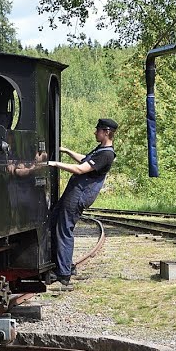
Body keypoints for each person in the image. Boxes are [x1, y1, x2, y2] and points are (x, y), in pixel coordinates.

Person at [45, 118, 118, 286]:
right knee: (55, 221)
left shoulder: (107, 154)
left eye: (98, 130)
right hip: (74, 192)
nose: (95, 132)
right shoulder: (101, 149)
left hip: (79, 195)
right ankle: (63, 265)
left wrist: (54, 163)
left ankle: (63, 272)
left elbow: (80, 169)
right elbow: (84, 159)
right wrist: (66, 151)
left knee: (64, 229)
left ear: (106, 132)